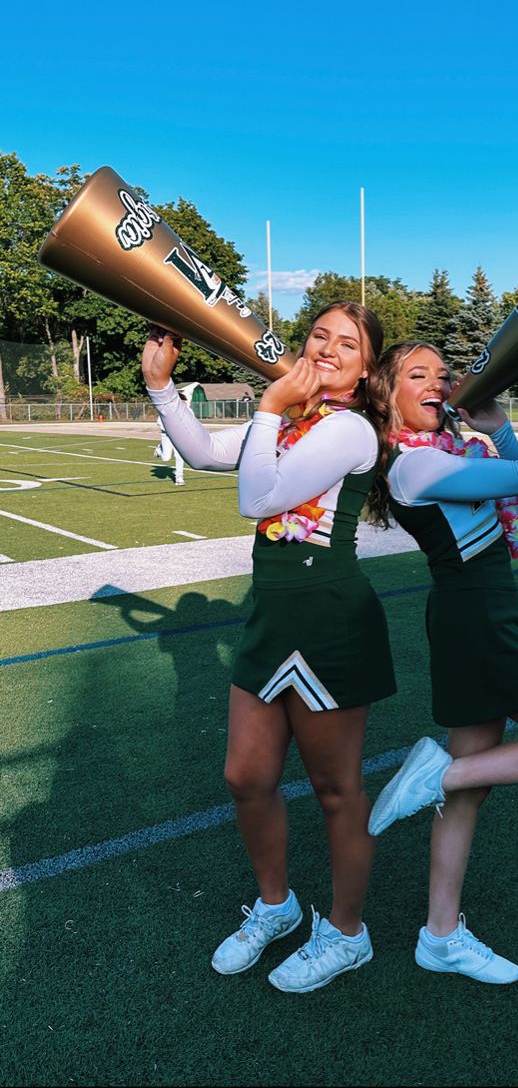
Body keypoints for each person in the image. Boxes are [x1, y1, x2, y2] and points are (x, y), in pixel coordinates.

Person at [141, 303, 396, 993]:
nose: (328, 349)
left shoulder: (347, 429)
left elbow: (256, 500)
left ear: (367, 367)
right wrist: (162, 386)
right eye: (319, 335)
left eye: (349, 344)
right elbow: (202, 455)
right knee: (246, 777)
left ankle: (348, 933)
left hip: (330, 622)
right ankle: (277, 908)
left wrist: (267, 409)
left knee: (336, 790)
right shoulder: (293, 418)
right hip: (272, 620)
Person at [368, 332, 518, 984]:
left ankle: (439, 936)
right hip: (478, 625)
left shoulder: (445, 454)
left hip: (471, 619)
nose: (435, 383)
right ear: (386, 395)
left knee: (473, 784)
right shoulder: (414, 466)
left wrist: (501, 427)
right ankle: (434, 777)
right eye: (415, 375)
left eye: (440, 374)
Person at [154, 393, 189, 485]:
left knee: (180, 457)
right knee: (166, 458)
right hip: (167, 435)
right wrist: (171, 429)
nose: (183, 404)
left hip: (179, 436)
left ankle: (179, 478)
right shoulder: (166, 409)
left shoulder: (187, 410)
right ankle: (159, 449)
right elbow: (159, 423)